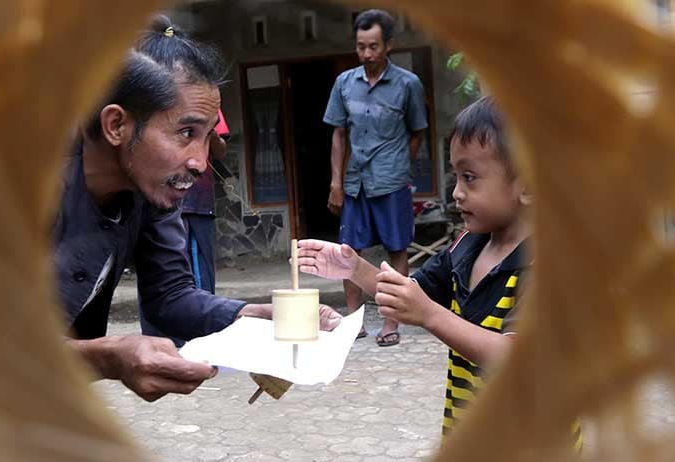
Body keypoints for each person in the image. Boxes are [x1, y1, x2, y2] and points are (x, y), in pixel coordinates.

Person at [59, 18, 342, 403]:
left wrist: (253, 316)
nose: (200, 162)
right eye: (186, 133)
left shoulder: (149, 191)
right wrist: (107, 357)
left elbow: (170, 294)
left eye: (207, 137)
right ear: (116, 125)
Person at [299, 96, 538, 438]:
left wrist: (431, 315)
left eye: (470, 177)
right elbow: (412, 293)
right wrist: (353, 267)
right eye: (456, 176)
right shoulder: (468, 245)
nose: (456, 192)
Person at [323, 9, 428, 347]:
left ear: (389, 46)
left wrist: (398, 166)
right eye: (360, 46)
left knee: (396, 249)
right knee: (347, 252)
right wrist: (336, 182)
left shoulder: (407, 84)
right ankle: (354, 321)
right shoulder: (344, 83)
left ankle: (390, 322)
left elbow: (417, 133)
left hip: (391, 182)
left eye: (373, 46)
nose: (366, 54)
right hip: (354, 182)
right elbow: (338, 135)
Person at [179, 109, 229, 293]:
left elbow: (220, 151)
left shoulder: (207, 103)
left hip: (198, 200)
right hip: (162, 202)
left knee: (201, 274)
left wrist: (210, 132)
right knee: (168, 269)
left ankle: (202, 320)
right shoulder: (160, 95)